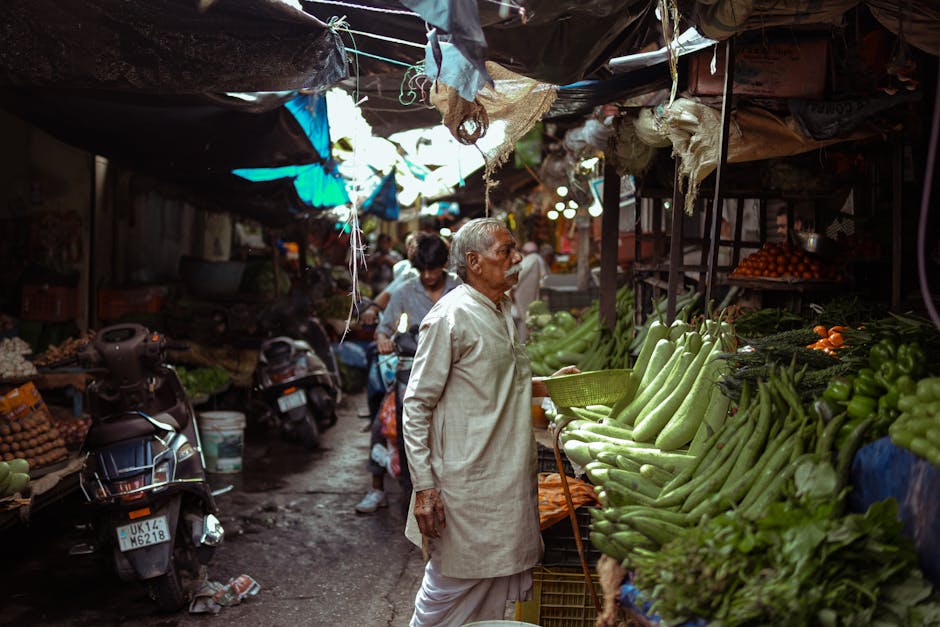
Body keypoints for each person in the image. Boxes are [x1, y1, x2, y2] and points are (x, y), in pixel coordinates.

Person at [401, 218, 577, 626]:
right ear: (474, 262)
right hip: (465, 491)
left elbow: (495, 379)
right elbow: (416, 405)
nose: (517, 259)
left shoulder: (500, 310)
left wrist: (548, 386)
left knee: (491, 601)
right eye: (506, 251)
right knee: (444, 595)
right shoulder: (450, 317)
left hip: (503, 482)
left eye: (515, 249)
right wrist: (425, 488)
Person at [355, 233, 461, 514]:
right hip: (414, 371)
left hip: (455, 372)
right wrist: (382, 339)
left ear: (444, 265)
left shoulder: (460, 288)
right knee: (386, 425)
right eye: (423, 270)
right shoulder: (404, 291)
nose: (428, 276)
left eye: (433, 269)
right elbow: (384, 327)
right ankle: (384, 487)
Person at [511, 241, 544, 340]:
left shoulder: (532, 258)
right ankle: (523, 343)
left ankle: (523, 343)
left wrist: (512, 288)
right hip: (524, 294)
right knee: (524, 320)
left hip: (523, 294)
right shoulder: (534, 259)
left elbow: (519, 273)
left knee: (524, 320)